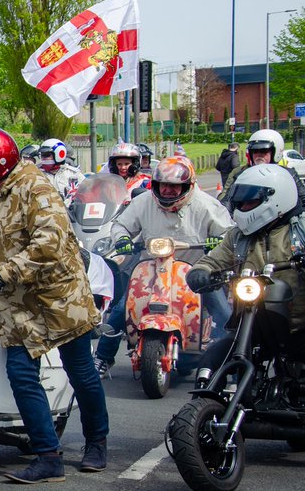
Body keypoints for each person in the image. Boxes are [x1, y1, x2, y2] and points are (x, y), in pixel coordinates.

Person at [0, 127, 109, 483]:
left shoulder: (36, 189)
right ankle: (48, 456)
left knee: (80, 370)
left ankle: (96, 442)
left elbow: (48, 243)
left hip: (59, 299)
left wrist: (4, 273)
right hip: (17, 307)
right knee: (21, 374)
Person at [93, 155, 234, 376]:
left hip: (197, 271)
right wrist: (122, 239)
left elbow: (228, 232)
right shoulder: (144, 202)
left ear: (187, 186)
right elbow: (121, 225)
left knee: (225, 316)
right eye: (163, 185)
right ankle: (103, 357)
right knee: (121, 310)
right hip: (151, 269)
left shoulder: (206, 205)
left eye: (174, 186)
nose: (167, 190)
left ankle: (231, 365)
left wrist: (217, 242)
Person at [188, 164, 305, 386]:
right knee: (211, 359)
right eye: (240, 202)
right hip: (254, 323)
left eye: (250, 201)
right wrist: (200, 272)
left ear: (276, 198)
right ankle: (206, 404)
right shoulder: (238, 236)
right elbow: (213, 259)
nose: (243, 207)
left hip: (298, 325)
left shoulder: (300, 230)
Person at [220, 129, 305, 209]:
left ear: (275, 152)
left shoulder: (289, 175)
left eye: (264, 151)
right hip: (250, 221)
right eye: (255, 152)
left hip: (281, 221)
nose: (259, 155)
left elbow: (303, 198)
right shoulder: (242, 177)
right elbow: (228, 202)